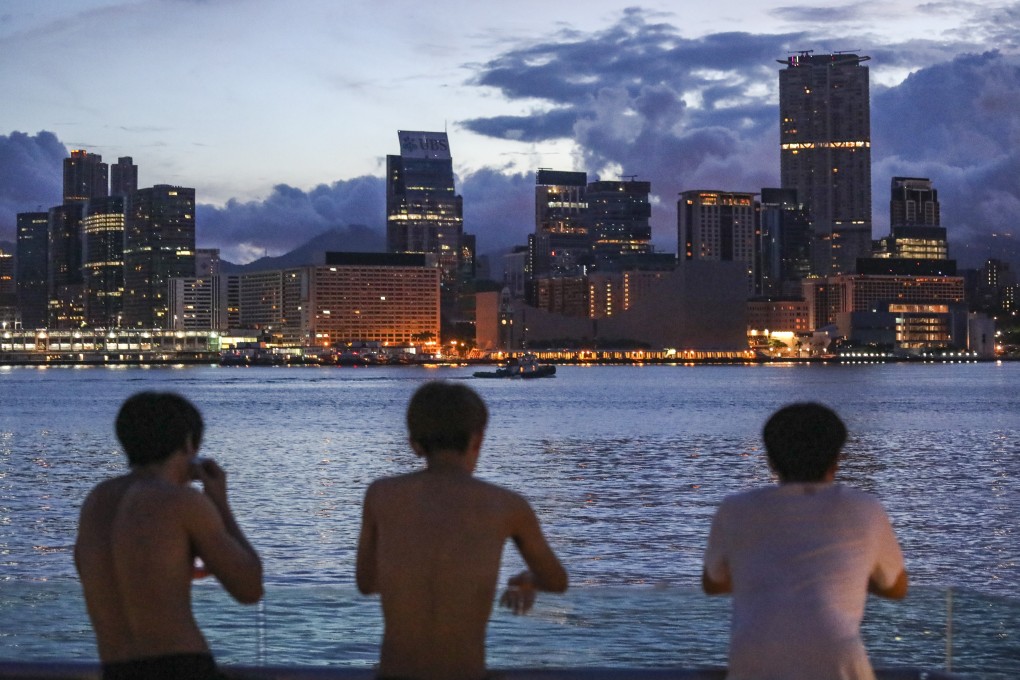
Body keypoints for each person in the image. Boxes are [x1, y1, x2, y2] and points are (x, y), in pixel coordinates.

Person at [356, 380, 568, 680]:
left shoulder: (381, 495)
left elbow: (366, 583)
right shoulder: (507, 505)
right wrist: (527, 580)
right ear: (477, 440)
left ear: (414, 443)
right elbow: (557, 580)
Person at [702, 402, 908, 680]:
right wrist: (847, 572)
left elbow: (713, 583)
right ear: (837, 459)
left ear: (771, 460)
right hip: (836, 657)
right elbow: (895, 588)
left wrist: (765, 571)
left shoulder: (737, 508)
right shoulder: (864, 507)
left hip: (755, 655)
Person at [75, 392, 263, 680]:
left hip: (116, 669)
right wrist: (219, 502)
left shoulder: (97, 501)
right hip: (181, 667)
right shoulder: (181, 502)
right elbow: (249, 588)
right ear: (189, 443)